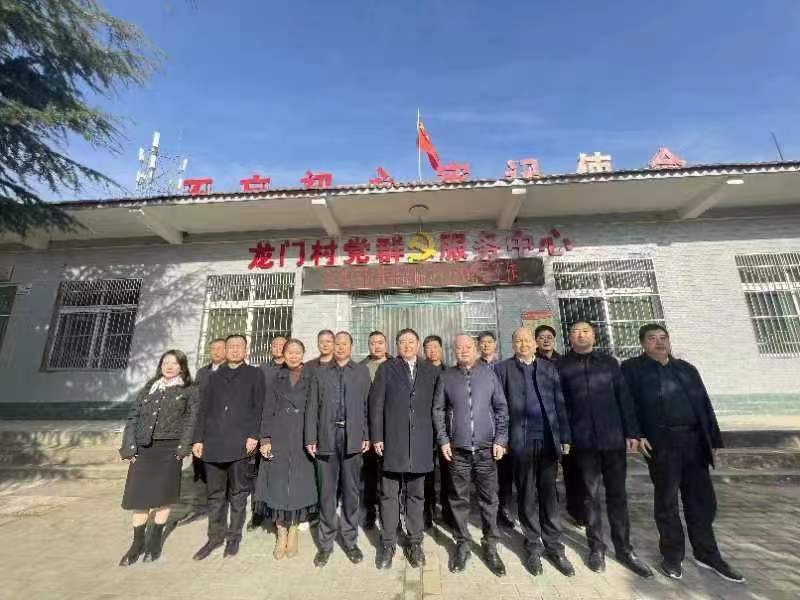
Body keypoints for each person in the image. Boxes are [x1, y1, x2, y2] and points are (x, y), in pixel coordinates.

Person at [622, 324, 744, 583]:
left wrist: (713, 440)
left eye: (663, 338)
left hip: (694, 442)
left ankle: (707, 554)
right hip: (661, 443)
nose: (659, 342)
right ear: (642, 343)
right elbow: (627, 404)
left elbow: (704, 404)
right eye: (652, 338)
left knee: (702, 501)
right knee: (667, 501)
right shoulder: (632, 369)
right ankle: (672, 555)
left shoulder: (687, 369)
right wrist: (635, 433)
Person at [557, 322, 653, 578]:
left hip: (613, 439)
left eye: (586, 331)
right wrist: (565, 436)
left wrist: (632, 432)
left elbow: (624, 398)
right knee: (590, 496)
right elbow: (560, 405)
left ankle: (624, 549)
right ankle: (596, 547)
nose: (581, 335)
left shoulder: (609, 363)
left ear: (594, 336)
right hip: (583, 442)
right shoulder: (562, 366)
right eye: (576, 331)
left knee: (617, 496)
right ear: (569, 337)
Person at [495, 327, 575, 577]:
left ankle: (554, 546)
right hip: (521, 441)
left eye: (527, 340)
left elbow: (559, 404)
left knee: (549, 493)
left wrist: (565, 436)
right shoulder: (503, 369)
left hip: (548, 439)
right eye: (518, 341)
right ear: (513, 344)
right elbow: (499, 408)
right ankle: (532, 546)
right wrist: (502, 439)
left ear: (534, 343)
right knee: (527, 494)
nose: (523, 344)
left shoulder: (548, 368)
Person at [433, 335, 508, 576]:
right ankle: (462, 543)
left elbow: (501, 408)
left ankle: (490, 545)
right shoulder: (446, 376)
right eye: (459, 347)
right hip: (458, 451)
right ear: (454, 351)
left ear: (475, 349)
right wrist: (443, 439)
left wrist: (501, 439)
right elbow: (438, 410)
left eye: (468, 347)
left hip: (486, 450)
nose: (464, 351)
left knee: (489, 499)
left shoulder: (489, 374)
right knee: (458, 499)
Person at [119, 349, 199, 566]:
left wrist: (183, 447)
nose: (169, 366)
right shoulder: (149, 387)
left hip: (169, 450)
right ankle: (136, 544)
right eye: (165, 363)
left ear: (182, 367)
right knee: (139, 498)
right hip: (144, 450)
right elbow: (133, 417)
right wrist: (129, 446)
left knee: (163, 497)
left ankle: (154, 541)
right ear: (160, 366)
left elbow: (191, 420)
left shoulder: (189, 390)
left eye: (174, 363)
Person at [370, 328, 441, 569]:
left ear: (418, 344)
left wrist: (437, 439)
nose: (407, 345)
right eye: (402, 342)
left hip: (420, 442)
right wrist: (377, 436)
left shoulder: (431, 371)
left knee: (416, 495)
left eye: (411, 341)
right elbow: (376, 405)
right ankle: (388, 543)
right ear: (397, 346)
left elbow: (438, 408)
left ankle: (415, 542)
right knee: (388, 494)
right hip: (392, 441)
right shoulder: (386, 369)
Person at [192, 334, 265, 560]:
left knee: (238, 493)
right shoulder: (213, 377)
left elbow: (259, 407)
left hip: (240, 444)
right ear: (225, 350)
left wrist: (254, 435)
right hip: (213, 444)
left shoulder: (255, 374)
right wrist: (198, 439)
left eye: (239, 346)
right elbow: (203, 410)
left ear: (246, 350)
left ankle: (234, 537)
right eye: (231, 346)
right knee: (215, 494)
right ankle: (215, 536)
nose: (235, 350)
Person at [306, 331, 371, 567]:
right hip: (326, 438)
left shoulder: (361, 371)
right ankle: (325, 545)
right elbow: (312, 405)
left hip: (352, 438)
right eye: (337, 344)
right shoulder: (321, 372)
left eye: (345, 344)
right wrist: (310, 437)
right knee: (327, 494)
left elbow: (367, 405)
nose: (341, 347)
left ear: (351, 347)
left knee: (351, 493)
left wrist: (367, 435)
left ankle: (350, 541)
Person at [255, 339, 319, 560]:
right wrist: (265, 439)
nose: (293, 356)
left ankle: (293, 532)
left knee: (298, 486)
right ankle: (280, 533)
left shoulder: (312, 376)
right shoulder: (276, 377)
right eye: (289, 352)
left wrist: (313, 437)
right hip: (279, 436)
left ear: (303, 354)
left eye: (297, 352)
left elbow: (317, 408)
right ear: (283, 354)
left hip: (303, 436)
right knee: (277, 485)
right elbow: (267, 410)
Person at [248, 334, 288, 531]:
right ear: (270, 348)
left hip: (286, 427)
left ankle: (280, 511)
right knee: (260, 471)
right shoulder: (262, 370)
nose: (278, 347)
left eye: (282, 345)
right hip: (264, 424)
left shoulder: (295, 369)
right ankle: (258, 512)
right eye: (275, 345)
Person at [478, 330, 514, 529]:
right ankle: (489, 510)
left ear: (495, 344)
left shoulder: (504, 366)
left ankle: (505, 508)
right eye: (482, 342)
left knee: (504, 470)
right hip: (483, 425)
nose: (486, 345)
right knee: (486, 472)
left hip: (501, 422)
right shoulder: (474, 367)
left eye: (489, 342)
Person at [359, 330, 391, 529]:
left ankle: (391, 512)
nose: (376, 346)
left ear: (386, 345)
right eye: (373, 343)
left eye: (380, 342)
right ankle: (370, 511)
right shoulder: (361, 368)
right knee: (369, 473)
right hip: (369, 429)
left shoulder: (396, 364)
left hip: (392, 428)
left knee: (390, 473)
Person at [422, 334, 452, 529]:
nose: (432, 350)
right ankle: (428, 510)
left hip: (445, 429)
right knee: (427, 471)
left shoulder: (449, 372)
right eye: (428, 347)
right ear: (424, 351)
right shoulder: (420, 371)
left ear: (441, 349)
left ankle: (447, 510)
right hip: (425, 428)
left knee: (448, 470)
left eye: (435, 346)